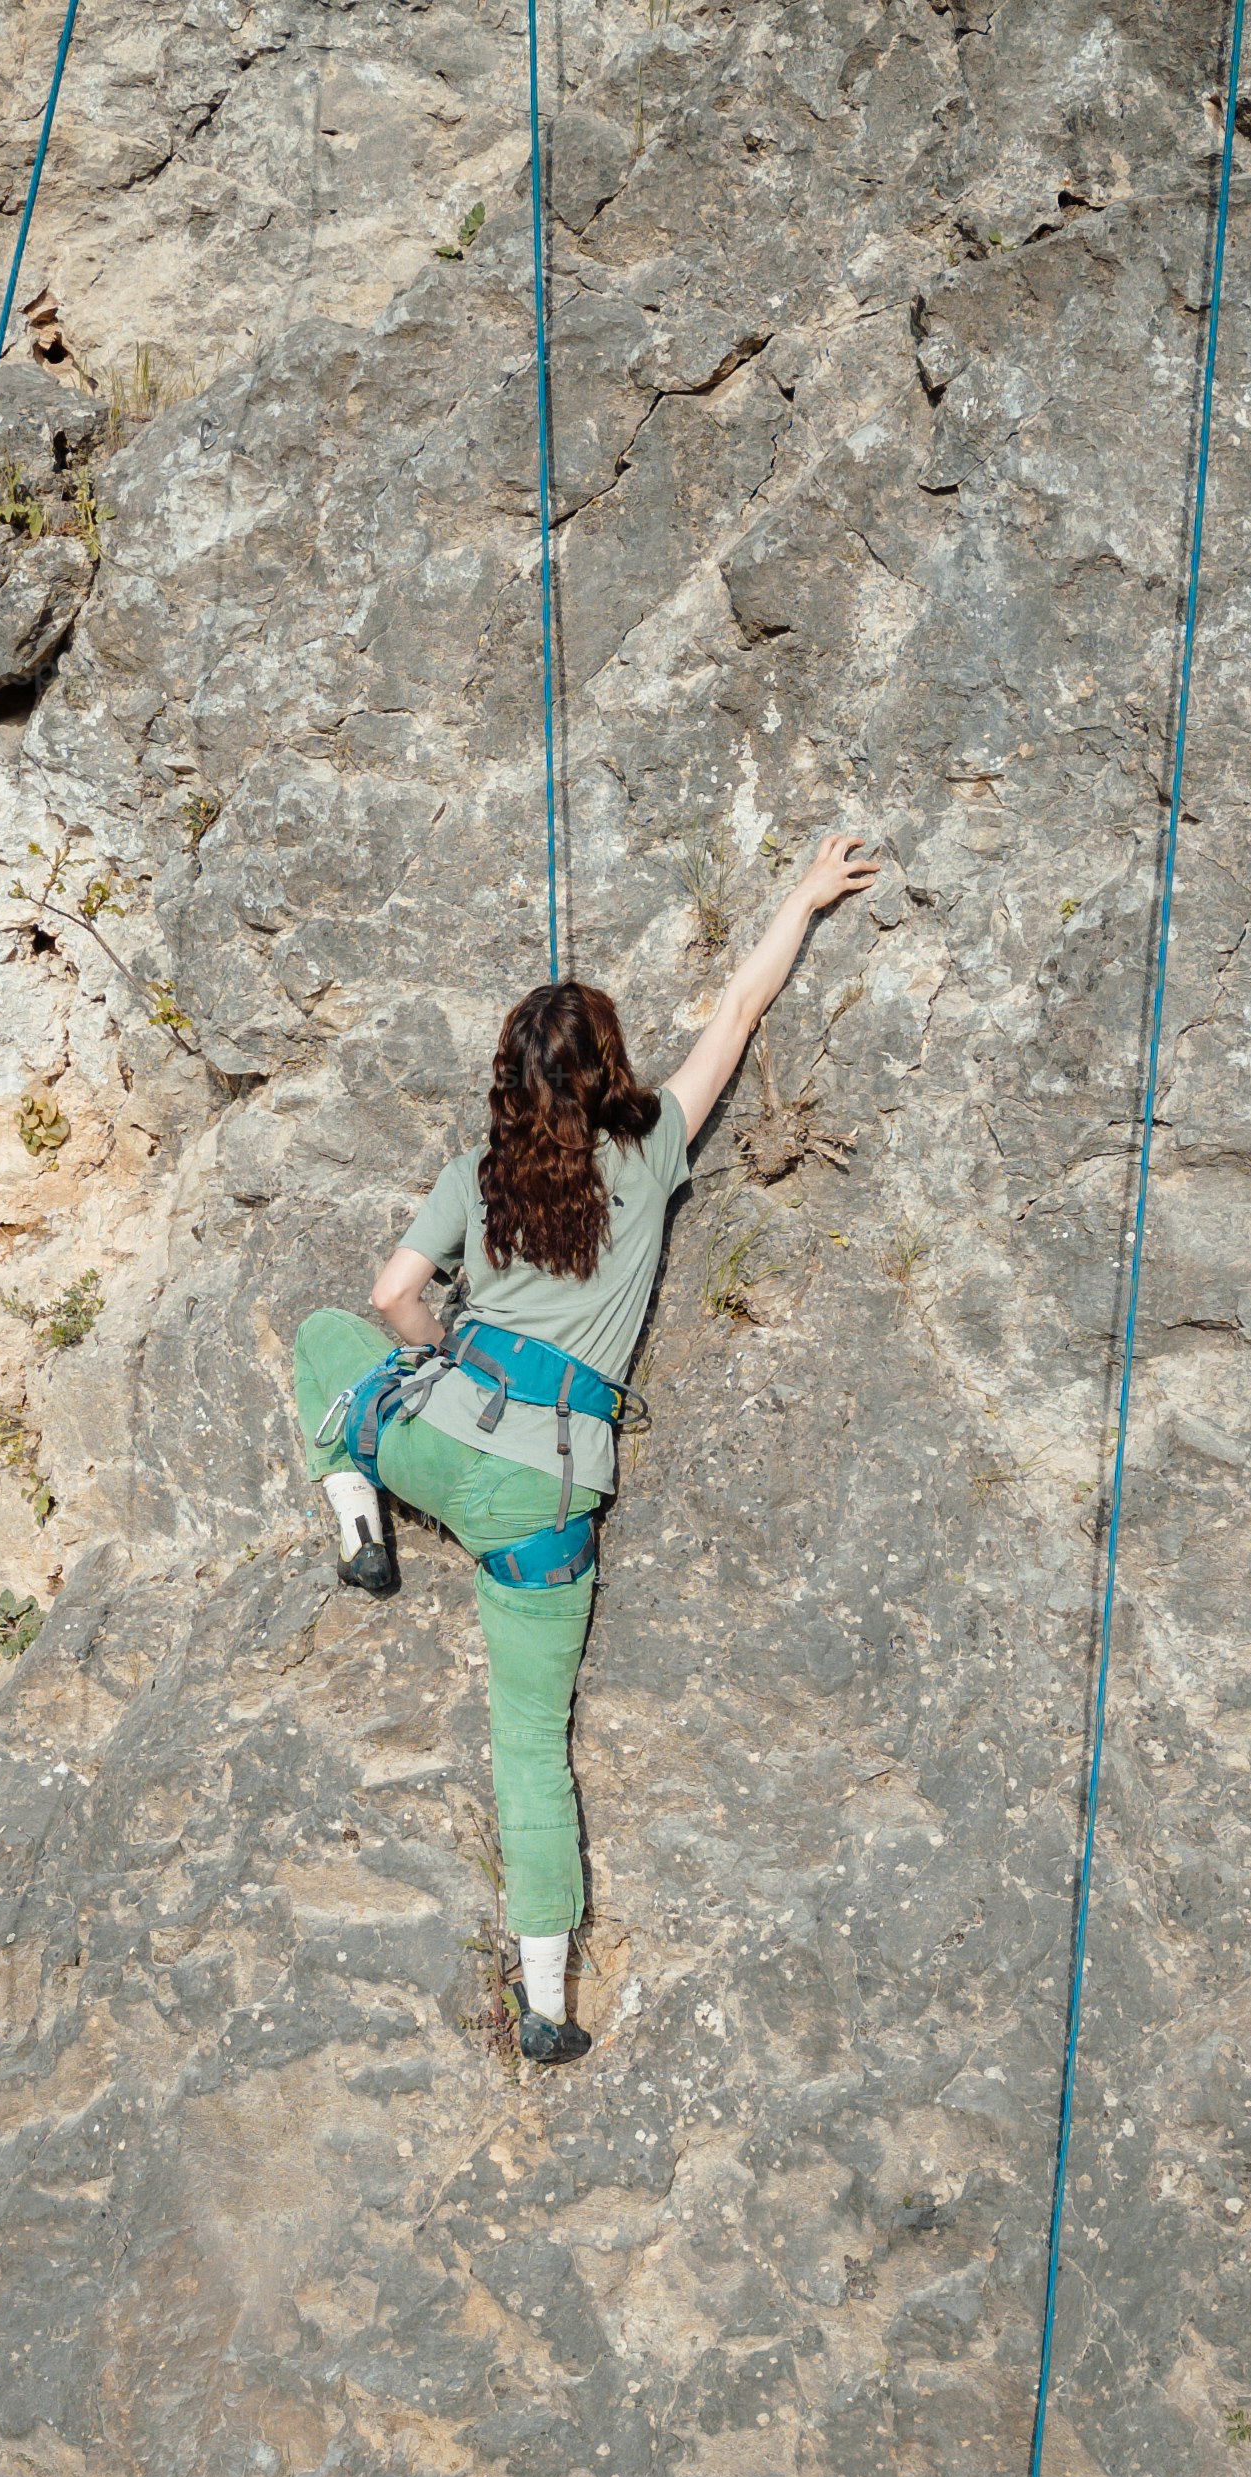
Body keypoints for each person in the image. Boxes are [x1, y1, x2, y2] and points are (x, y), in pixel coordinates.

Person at [287, 831, 888, 2066]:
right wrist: (803, 899)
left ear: (508, 1078)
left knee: (325, 1347)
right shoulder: (655, 1145)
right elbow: (737, 1010)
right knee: (528, 1745)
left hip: (439, 1437)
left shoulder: (481, 1173)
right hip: (546, 1497)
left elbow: (395, 1296)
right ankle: (547, 2005)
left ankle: (357, 1513)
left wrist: (439, 1349)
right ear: (610, 1069)